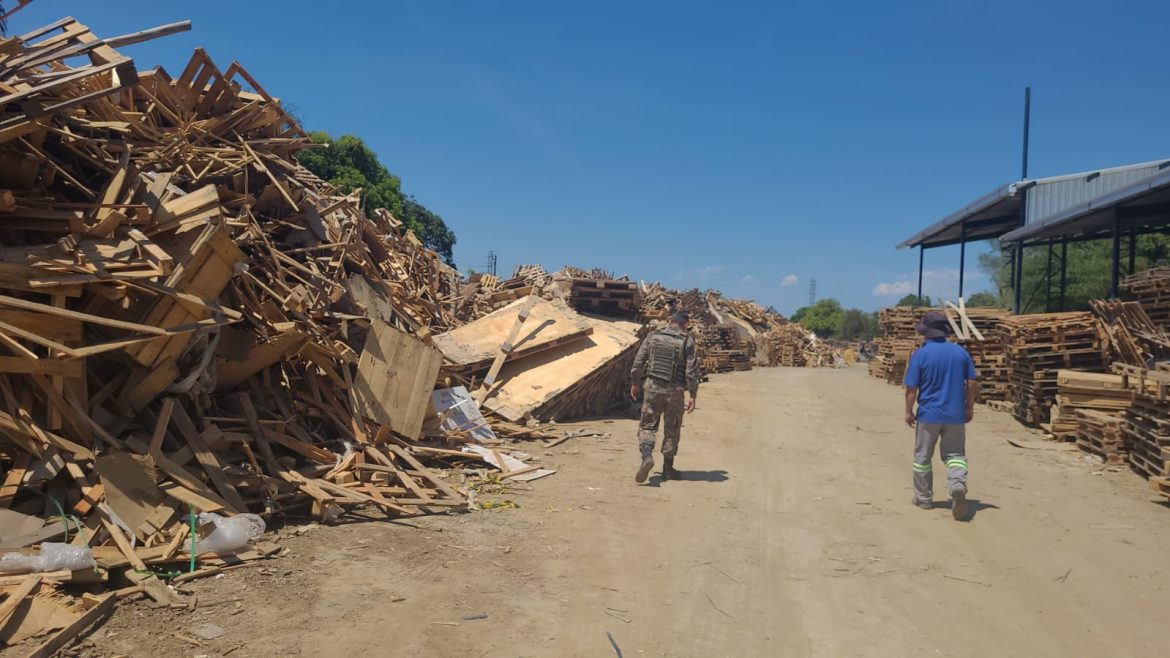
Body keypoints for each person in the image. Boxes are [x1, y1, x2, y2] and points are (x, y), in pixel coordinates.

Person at [903, 311, 978, 521]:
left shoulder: (921, 354)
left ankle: (924, 498)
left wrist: (908, 411)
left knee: (922, 458)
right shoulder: (960, 353)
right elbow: (972, 383)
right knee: (955, 456)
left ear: (926, 332)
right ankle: (957, 485)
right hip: (955, 415)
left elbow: (911, 387)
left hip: (928, 415)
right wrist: (969, 407)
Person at [629, 311, 700, 483]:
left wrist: (635, 382)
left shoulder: (653, 336)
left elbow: (639, 360)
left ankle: (647, 456)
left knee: (647, 425)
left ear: (670, 322)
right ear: (685, 324)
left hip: (652, 388)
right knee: (672, 429)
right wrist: (693, 394)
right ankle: (668, 469)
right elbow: (691, 371)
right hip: (675, 392)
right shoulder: (687, 341)